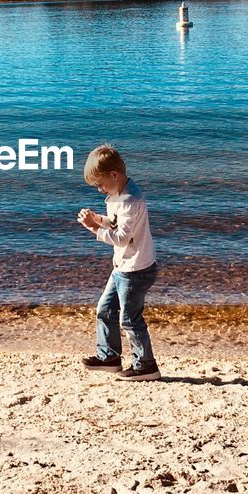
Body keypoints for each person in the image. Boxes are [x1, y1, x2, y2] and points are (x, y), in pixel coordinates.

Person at [76, 144, 161, 381]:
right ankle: (109, 356)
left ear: (114, 175)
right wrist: (98, 220)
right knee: (105, 309)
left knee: (130, 318)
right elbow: (116, 224)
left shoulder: (130, 201)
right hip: (122, 267)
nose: (100, 190)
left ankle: (146, 364)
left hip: (135, 269)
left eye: (100, 184)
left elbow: (122, 238)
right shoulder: (118, 195)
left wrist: (95, 230)